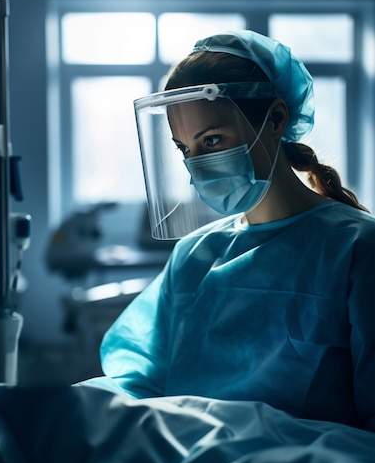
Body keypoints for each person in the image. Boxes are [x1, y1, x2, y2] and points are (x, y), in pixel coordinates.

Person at [97, 30, 375, 431]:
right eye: (184, 148)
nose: (197, 163)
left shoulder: (356, 250)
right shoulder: (194, 256)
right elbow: (138, 381)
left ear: (276, 118)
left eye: (212, 140)